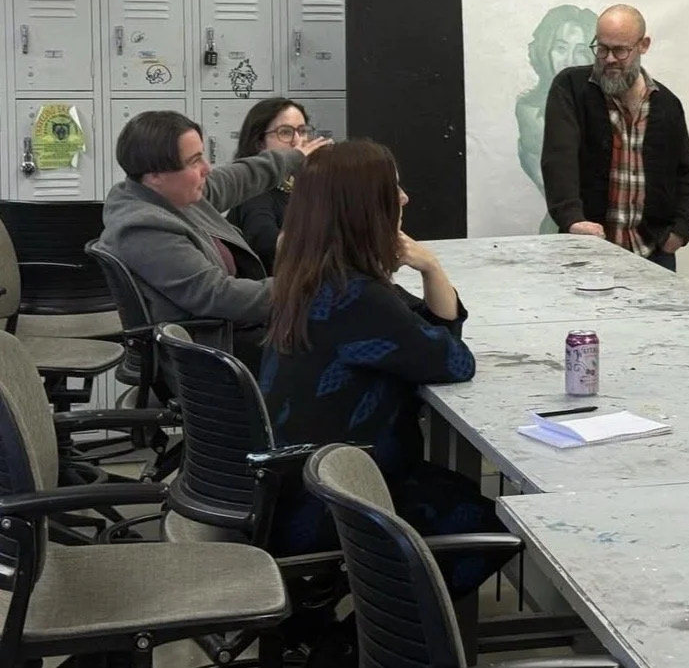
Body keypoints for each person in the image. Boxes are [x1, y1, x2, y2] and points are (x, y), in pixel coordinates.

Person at [259, 139, 506, 596]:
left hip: (296, 486)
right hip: (337, 502)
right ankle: (389, 634)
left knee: (457, 490)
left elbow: (426, 329)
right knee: (494, 524)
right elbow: (454, 362)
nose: (406, 198)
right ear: (364, 206)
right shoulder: (358, 299)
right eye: (394, 189)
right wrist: (432, 267)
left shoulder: (314, 276)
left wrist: (430, 274)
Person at [99, 110, 329, 372]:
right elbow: (218, 296)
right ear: (155, 175)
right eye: (194, 161)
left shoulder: (169, 194)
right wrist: (309, 288)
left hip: (229, 335)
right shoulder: (143, 228)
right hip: (210, 353)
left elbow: (237, 178)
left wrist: (295, 157)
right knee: (335, 348)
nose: (207, 168)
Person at [541, 3, 689, 271]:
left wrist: (681, 230)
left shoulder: (667, 104)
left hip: (654, 256)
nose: (609, 59)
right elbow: (559, 158)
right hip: (588, 252)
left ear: (643, 45)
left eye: (620, 50)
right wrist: (572, 219)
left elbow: (685, 174)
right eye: (602, 48)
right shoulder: (571, 87)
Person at [515, 5, 598, 234]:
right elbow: (553, 182)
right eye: (560, 48)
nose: (569, 59)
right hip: (567, 228)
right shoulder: (532, 112)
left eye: (580, 50)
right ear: (545, 50)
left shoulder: (603, 105)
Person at [227, 97, 314, 272]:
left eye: (302, 131)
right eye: (285, 132)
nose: (297, 141)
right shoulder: (254, 192)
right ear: (259, 143)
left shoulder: (300, 184)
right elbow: (268, 244)